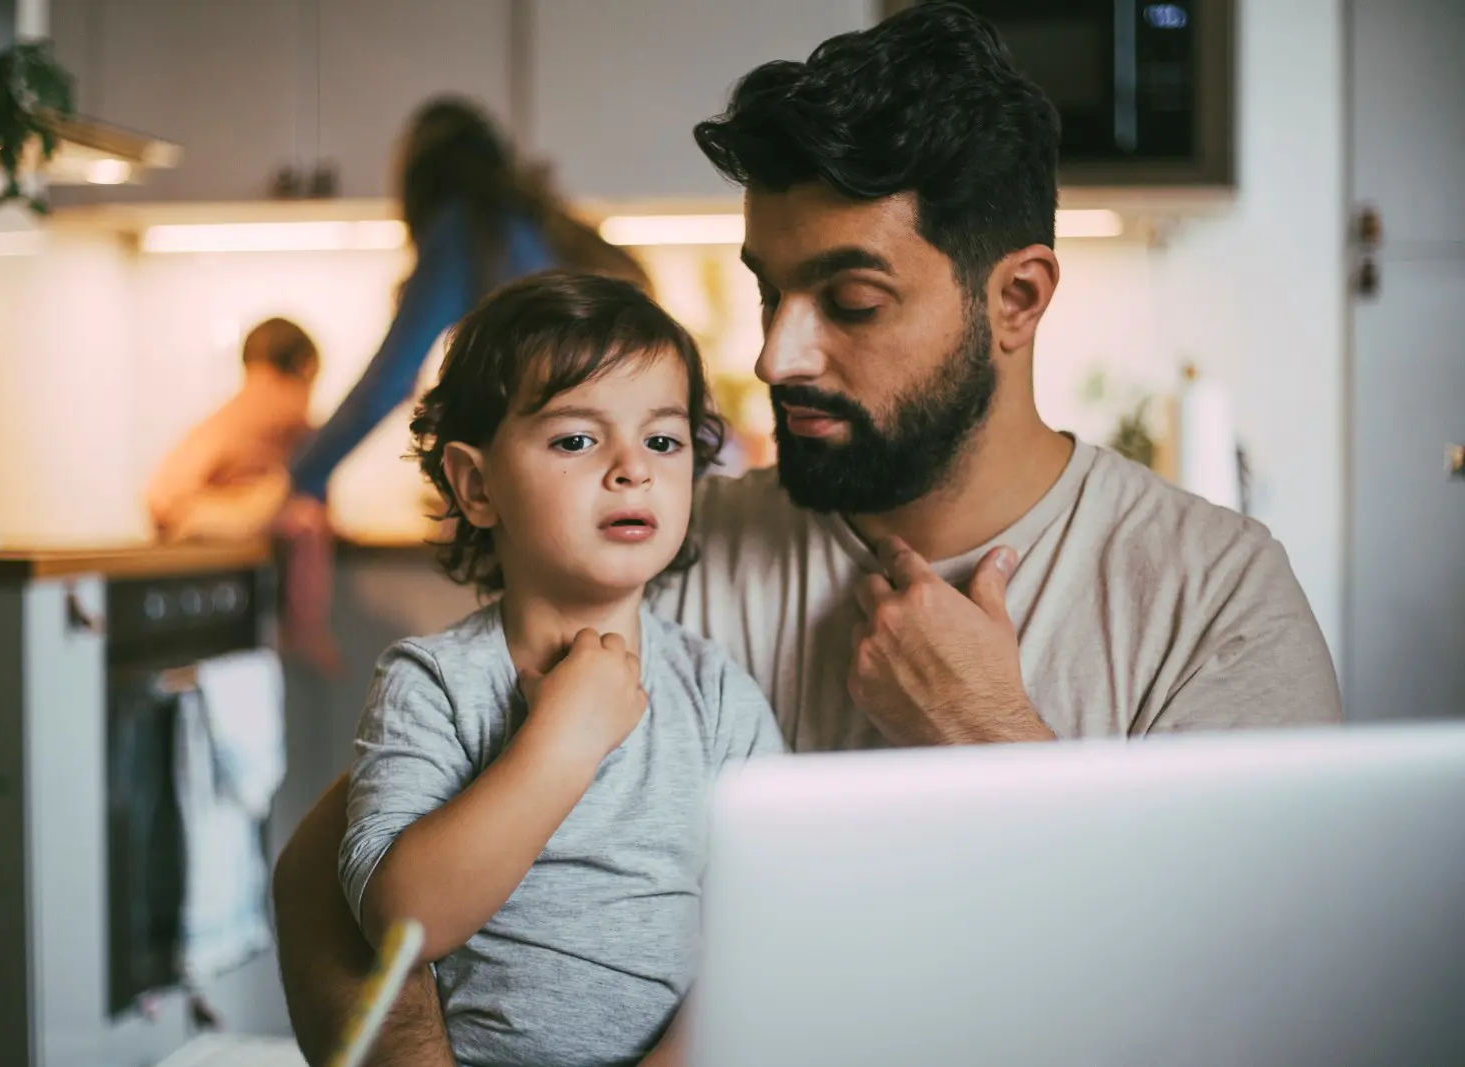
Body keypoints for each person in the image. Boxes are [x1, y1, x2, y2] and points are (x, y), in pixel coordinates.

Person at [272, 5, 1344, 1064]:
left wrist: (991, 737)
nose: (778, 353)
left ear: (1015, 298)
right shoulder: (663, 546)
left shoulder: (1215, 600)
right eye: (768, 290)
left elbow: (1273, 1007)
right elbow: (334, 873)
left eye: (850, 299)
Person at [337, 271, 782, 1067]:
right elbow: (402, 920)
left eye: (663, 440)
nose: (631, 468)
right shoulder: (430, 683)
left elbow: (773, 931)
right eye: (577, 439)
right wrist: (562, 743)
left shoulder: (717, 695)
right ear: (476, 486)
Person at [278, 97, 649, 534]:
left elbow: (388, 382)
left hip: (567, 474)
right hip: (624, 472)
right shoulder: (534, 224)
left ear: (419, 183)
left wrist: (301, 477)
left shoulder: (462, 231)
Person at [144, 317, 338, 670]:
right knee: (307, 519)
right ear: (305, 367)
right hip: (194, 513)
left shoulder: (234, 406)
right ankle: (306, 628)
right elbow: (317, 473)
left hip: (178, 513)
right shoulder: (286, 401)